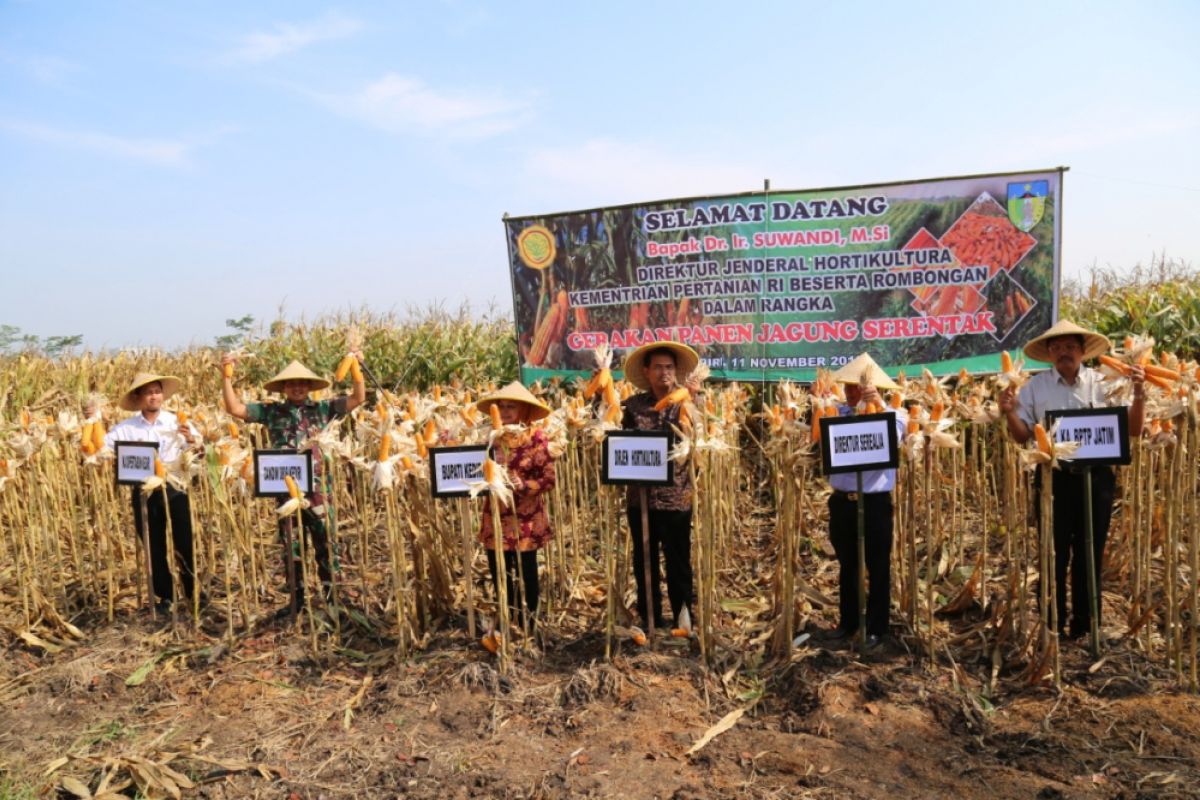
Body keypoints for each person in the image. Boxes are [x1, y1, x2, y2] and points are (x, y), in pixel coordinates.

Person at [999, 320, 1145, 639]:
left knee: (1089, 552)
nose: (1063, 352)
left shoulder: (1103, 382)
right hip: (1054, 480)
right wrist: (1009, 412)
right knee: (1053, 551)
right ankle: (1051, 624)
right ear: (1049, 354)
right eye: (1057, 348)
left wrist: (1139, 393)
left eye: (1070, 347)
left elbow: (1132, 431)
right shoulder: (1035, 388)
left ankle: (1084, 625)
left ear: (1082, 351)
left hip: (1097, 479)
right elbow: (1022, 436)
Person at [221, 355, 365, 613]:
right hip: (285, 488)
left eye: (301, 383)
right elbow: (235, 409)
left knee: (326, 542)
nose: (296, 388)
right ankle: (297, 600)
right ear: (283, 388)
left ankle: (334, 598)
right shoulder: (271, 411)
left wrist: (356, 368)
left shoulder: (324, 409)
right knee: (292, 544)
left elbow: (357, 399)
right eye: (291, 384)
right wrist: (226, 376)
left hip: (319, 488)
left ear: (309, 387)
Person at [821, 353, 907, 649]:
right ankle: (848, 623)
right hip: (843, 501)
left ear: (874, 388)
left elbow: (896, 437)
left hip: (874, 502)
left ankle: (877, 628)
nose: (849, 393)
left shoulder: (896, 414)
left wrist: (878, 407)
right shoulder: (837, 413)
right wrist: (818, 405)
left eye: (856, 388)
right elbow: (818, 442)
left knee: (878, 565)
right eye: (847, 387)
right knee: (848, 564)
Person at [105, 372, 202, 613]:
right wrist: (91, 424)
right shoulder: (125, 429)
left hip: (175, 487)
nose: (154, 396)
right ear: (138, 397)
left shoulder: (177, 423)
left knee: (184, 541)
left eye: (157, 391)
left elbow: (200, 450)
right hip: (144, 490)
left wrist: (191, 441)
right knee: (153, 546)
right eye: (148, 392)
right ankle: (166, 597)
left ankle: (193, 593)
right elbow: (101, 450)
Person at [621, 341, 700, 632]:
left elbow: (699, 445)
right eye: (658, 367)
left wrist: (693, 403)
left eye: (669, 367)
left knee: (679, 561)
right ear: (647, 371)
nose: (664, 373)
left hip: (677, 497)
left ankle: (683, 618)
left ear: (675, 371)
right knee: (644, 560)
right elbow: (614, 439)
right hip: (640, 498)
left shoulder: (689, 403)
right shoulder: (633, 406)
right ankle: (650, 618)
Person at [475, 381, 556, 630]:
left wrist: (523, 485)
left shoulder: (537, 439)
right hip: (496, 517)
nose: (506, 411)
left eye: (512, 406)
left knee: (527, 573)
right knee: (500, 572)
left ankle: (529, 622)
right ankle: (507, 621)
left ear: (524, 411)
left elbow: (549, 479)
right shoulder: (489, 439)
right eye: (501, 406)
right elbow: (469, 465)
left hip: (526, 520)